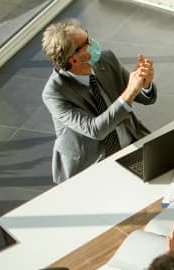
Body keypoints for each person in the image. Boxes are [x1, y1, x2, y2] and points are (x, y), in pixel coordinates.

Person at [41, 19, 157, 184]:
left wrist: (144, 84)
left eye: (88, 36)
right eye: (87, 42)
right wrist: (131, 90)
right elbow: (95, 129)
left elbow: (144, 98)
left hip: (131, 144)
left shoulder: (106, 59)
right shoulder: (55, 93)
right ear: (74, 60)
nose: (93, 42)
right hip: (92, 166)